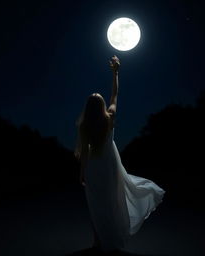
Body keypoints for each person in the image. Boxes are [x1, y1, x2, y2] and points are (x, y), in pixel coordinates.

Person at [74, 55, 166, 253]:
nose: (97, 93)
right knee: (110, 203)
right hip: (108, 167)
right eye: (98, 96)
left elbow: (84, 154)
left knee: (96, 206)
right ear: (100, 107)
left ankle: (97, 241)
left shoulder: (84, 126)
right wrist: (116, 72)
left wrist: (82, 173)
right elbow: (115, 95)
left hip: (93, 169)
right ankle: (107, 240)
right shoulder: (109, 118)